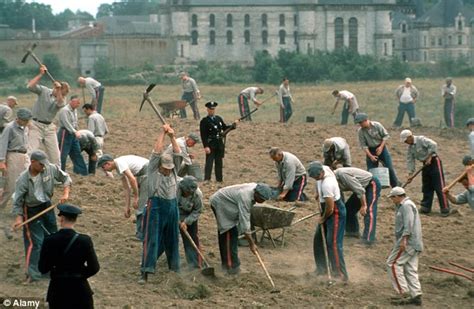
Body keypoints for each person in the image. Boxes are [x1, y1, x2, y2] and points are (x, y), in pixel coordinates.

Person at [12, 150, 72, 283]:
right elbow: (18, 201)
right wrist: (18, 218)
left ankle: (49, 270)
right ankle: (32, 274)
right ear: (32, 162)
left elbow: (66, 178)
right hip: (31, 210)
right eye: (41, 164)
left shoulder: (50, 168)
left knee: (52, 237)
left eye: (45, 164)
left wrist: (65, 194)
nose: (43, 167)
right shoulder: (22, 179)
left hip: (46, 205)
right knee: (35, 242)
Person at [140, 124, 181, 283]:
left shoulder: (174, 169)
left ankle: (175, 269)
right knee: (152, 239)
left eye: (170, 168)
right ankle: (145, 271)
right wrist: (162, 133)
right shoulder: (152, 169)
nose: (168, 171)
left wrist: (172, 136)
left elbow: (177, 153)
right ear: (159, 166)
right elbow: (156, 151)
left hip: (172, 207)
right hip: (155, 206)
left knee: (172, 239)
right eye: (165, 168)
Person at [39, 204, 100, 309]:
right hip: (80, 291)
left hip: (57, 291)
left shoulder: (50, 240)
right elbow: (94, 268)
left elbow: (43, 268)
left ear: (61, 218)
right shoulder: (84, 240)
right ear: (75, 220)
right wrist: (78, 274)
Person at [210, 182, 272, 274]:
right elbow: (245, 222)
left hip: (230, 203)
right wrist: (251, 243)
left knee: (231, 234)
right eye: (261, 199)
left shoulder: (255, 189)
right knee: (228, 233)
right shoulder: (245, 197)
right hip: (221, 203)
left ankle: (230, 264)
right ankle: (230, 267)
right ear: (256, 193)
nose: (262, 202)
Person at [307, 161, 348, 281]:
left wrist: (323, 218)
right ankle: (321, 269)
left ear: (321, 173)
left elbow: (330, 208)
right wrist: (317, 193)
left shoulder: (327, 184)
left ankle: (340, 275)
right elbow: (318, 183)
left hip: (335, 212)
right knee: (318, 240)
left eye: (316, 177)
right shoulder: (324, 168)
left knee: (333, 244)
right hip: (326, 208)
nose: (315, 179)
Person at [97, 154, 149, 240]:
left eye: (103, 168)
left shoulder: (119, 163)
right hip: (142, 174)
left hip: (147, 171)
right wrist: (127, 207)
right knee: (142, 204)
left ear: (108, 164)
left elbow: (132, 179)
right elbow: (126, 188)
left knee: (141, 205)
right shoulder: (118, 168)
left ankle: (141, 235)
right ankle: (142, 232)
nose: (104, 170)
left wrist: (136, 197)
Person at [386, 187, 423, 306]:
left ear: (398, 196)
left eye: (392, 197)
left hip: (408, 242)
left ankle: (403, 293)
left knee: (392, 263)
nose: (391, 200)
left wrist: (404, 240)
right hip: (415, 242)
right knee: (410, 268)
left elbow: (409, 224)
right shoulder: (406, 204)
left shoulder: (406, 206)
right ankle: (416, 295)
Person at [400, 129, 450, 216]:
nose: (405, 142)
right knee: (427, 186)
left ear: (410, 137)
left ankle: (445, 208)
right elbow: (410, 160)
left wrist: (429, 157)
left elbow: (433, 144)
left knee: (439, 185)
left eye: (405, 140)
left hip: (434, 162)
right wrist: (410, 174)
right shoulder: (410, 148)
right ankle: (426, 207)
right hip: (425, 164)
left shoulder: (421, 139)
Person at [27, 65, 69, 166]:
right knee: (31, 151)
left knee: (55, 155)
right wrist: (41, 74)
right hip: (36, 125)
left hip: (49, 127)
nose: (61, 95)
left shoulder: (62, 99)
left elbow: (60, 103)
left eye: (62, 94)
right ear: (54, 88)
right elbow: (30, 86)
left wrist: (59, 90)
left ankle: (57, 176)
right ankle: (28, 173)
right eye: (60, 92)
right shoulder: (44, 90)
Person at [335, 167, 381, 245]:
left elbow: (359, 190)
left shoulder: (342, 174)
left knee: (369, 211)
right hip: (361, 188)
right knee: (348, 208)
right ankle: (352, 231)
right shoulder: (330, 181)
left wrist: (363, 205)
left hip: (371, 184)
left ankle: (368, 239)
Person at [0, 108, 32, 210]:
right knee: (11, 186)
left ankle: (22, 209)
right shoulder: (9, 128)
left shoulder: (25, 127)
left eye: (28, 120)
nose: (27, 122)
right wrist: (2, 161)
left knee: (27, 182)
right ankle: (1, 205)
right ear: (18, 119)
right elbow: (3, 144)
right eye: (25, 120)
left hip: (24, 155)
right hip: (13, 156)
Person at [356, 113, 400, 188]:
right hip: (370, 150)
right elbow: (364, 145)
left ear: (366, 120)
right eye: (359, 123)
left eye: (361, 122)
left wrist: (381, 147)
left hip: (381, 148)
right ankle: (372, 187)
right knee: (371, 171)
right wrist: (371, 156)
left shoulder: (377, 125)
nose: (360, 125)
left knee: (389, 168)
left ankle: (395, 186)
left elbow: (385, 136)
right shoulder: (360, 131)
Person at [199, 101, 237, 182]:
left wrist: (232, 126)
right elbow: (203, 135)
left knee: (219, 162)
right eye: (210, 109)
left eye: (213, 109)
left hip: (219, 144)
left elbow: (224, 127)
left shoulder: (218, 119)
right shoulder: (204, 121)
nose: (212, 111)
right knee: (209, 162)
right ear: (207, 110)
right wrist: (205, 146)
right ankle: (207, 179)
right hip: (211, 144)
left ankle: (219, 179)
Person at [57, 95, 88, 176]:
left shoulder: (75, 110)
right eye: (77, 103)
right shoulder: (64, 110)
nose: (78, 105)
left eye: (79, 103)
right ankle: (61, 173)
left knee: (77, 153)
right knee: (63, 155)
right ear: (71, 101)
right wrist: (75, 132)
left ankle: (82, 172)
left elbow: (75, 122)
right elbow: (66, 124)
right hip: (65, 133)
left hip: (73, 134)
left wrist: (77, 131)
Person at [177, 176, 203, 269]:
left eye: (190, 193)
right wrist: (177, 218)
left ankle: (195, 263)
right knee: (170, 236)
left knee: (192, 237)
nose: (188, 194)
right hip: (175, 213)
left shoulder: (197, 195)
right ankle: (173, 262)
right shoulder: (175, 189)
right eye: (187, 192)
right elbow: (171, 204)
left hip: (189, 215)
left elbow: (197, 210)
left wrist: (187, 222)